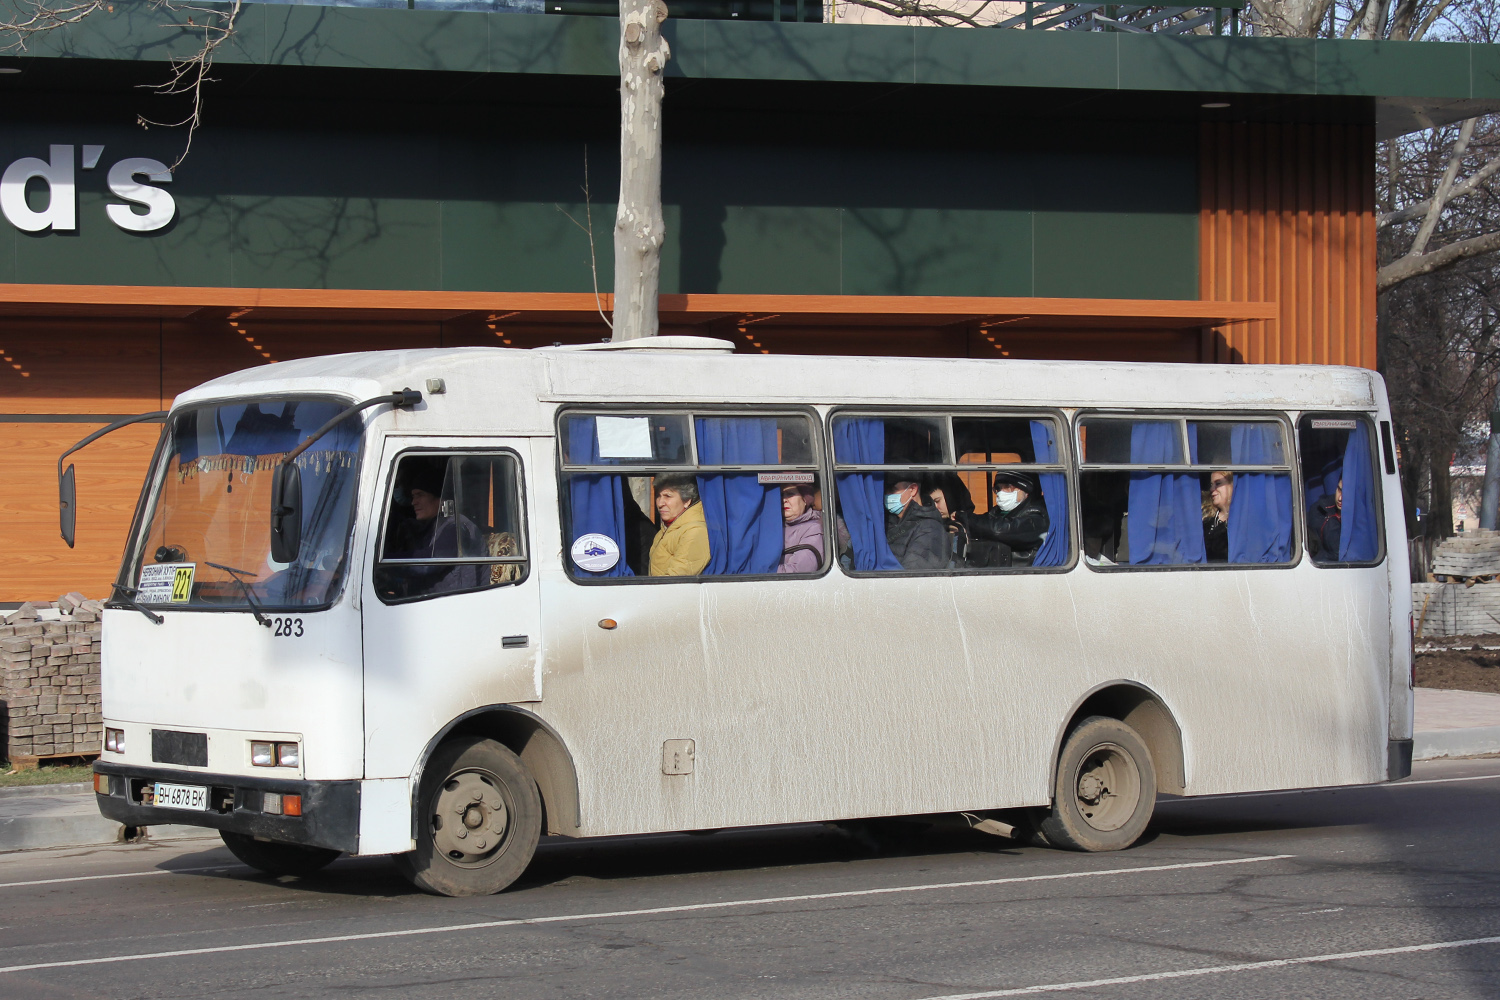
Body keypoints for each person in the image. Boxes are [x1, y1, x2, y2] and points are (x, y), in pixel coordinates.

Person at [380, 459, 485, 597]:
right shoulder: (434, 527)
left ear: (440, 498)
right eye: (413, 496)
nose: (413, 502)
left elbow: (428, 563)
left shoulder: (457, 527)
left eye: (420, 495)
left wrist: (381, 561)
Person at [954, 471, 1050, 568]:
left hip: (1022, 576)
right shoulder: (997, 512)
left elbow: (999, 530)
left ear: (1025, 489)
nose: (1001, 492)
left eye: (1007, 487)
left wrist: (965, 519)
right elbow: (984, 523)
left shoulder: (1038, 515)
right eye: (998, 488)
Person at [650, 474, 710, 576]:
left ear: (686, 500)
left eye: (667, 496)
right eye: (658, 496)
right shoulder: (666, 529)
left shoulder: (695, 531)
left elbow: (676, 581)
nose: (660, 503)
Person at [884, 477, 947, 571]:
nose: (887, 495)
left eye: (892, 490)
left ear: (913, 489)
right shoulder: (889, 523)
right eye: (885, 490)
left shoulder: (930, 530)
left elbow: (913, 577)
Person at [925, 478, 971, 568]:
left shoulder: (969, 522)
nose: (936, 507)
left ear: (950, 497)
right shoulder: (928, 525)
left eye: (938, 501)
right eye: (931, 503)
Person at [778, 483, 824, 574]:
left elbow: (799, 572)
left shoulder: (814, 528)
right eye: (781, 495)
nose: (784, 500)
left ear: (805, 499)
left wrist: (757, 570)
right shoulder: (771, 525)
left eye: (790, 494)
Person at [1202, 471, 1233, 562]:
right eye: (1211, 485)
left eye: (1218, 483)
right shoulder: (1206, 521)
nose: (1212, 489)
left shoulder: (1244, 519)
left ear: (1233, 485)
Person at [1309, 477, 1343, 560]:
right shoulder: (1319, 510)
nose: (1340, 498)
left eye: (1346, 493)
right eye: (1339, 490)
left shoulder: (1365, 521)